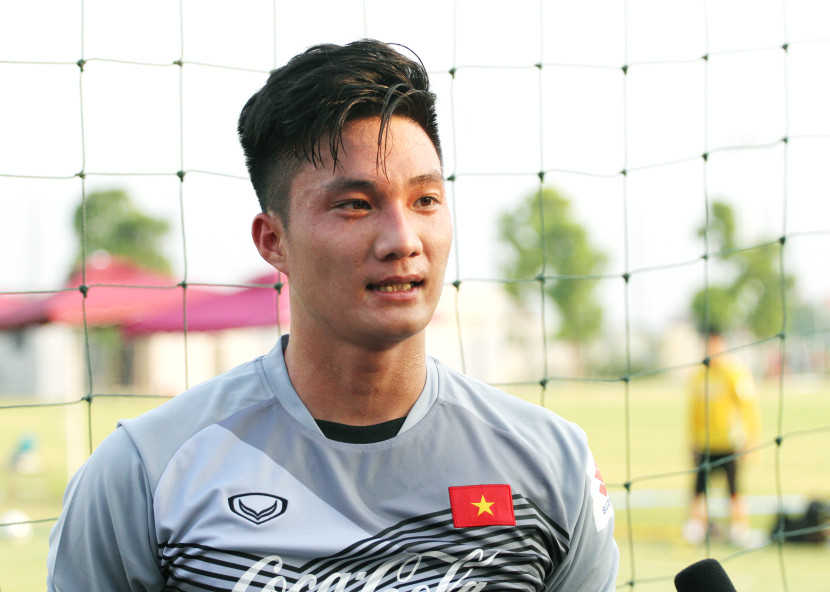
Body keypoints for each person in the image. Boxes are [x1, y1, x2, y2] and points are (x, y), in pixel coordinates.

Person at [47, 39, 619, 591]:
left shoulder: (550, 465)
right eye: (355, 205)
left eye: (425, 200)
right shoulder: (146, 470)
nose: (403, 240)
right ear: (273, 241)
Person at [683, 330, 762, 546]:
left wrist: (751, 438)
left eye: (715, 344)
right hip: (705, 444)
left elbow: (748, 407)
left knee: (734, 489)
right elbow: (693, 413)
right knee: (699, 489)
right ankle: (696, 528)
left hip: (730, 443)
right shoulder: (699, 375)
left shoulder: (734, 372)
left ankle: (739, 528)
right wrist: (692, 441)